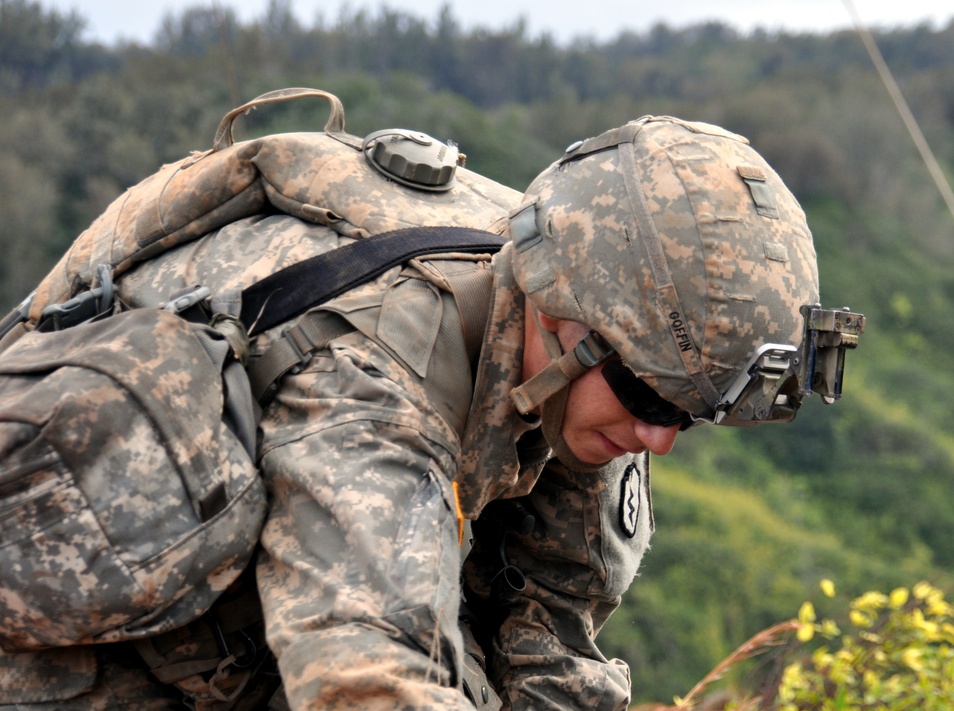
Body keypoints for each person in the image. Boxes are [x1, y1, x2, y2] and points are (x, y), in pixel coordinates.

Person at [0, 109, 860, 710]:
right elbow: (363, 675)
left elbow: (550, 633)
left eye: (691, 411)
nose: (658, 439)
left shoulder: (603, 341)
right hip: (70, 643)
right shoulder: (373, 380)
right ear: (563, 316)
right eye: (645, 396)